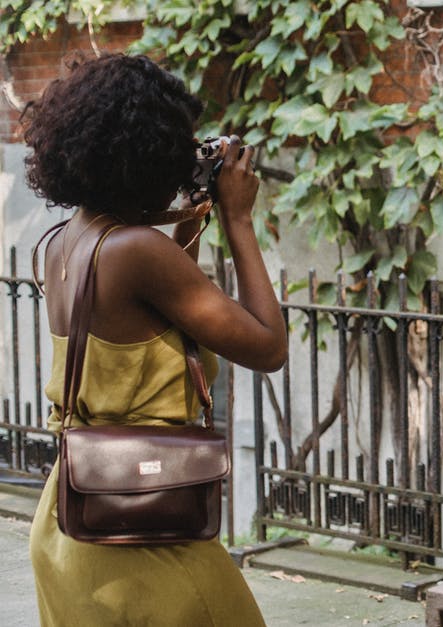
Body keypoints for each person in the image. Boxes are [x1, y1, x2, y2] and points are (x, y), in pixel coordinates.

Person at [23, 53, 287, 625]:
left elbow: (147, 317)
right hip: (146, 531)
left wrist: (191, 216)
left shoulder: (64, 241)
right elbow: (269, 347)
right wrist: (238, 219)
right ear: (149, 152)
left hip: (73, 523)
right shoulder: (140, 251)